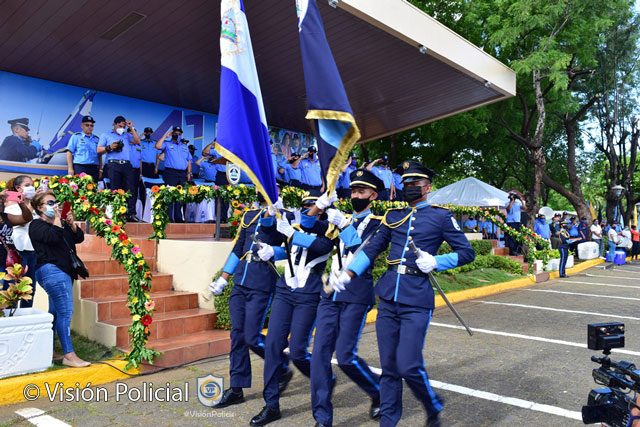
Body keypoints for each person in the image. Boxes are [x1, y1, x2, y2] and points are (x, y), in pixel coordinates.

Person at [333, 161, 475, 427]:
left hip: (416, 299)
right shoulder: (393, 216)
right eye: (406, 183)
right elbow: (372, 249)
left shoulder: (441, 217)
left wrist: (437, 261)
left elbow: (467, 253)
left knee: (408, 365)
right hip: (389, 297)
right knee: (389, 368)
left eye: (415, 183)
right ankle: (388, 422)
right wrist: (349, 273)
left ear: (427, 187)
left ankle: (432, 404)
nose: (409, 187)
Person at [249, 195, 336, 426]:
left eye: (313, 207)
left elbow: (319, 248)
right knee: (272, 346)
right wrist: (272, 250)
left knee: (297, 351)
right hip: (285, 290)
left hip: (308, 294)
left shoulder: (329, 230)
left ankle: (324, 378)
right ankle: (271, 405)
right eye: (306, 207)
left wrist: (291, 234)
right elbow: (286, 247)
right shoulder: (295, 227)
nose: (309, 211)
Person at [311, 169, 384, 426]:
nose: (355, 196)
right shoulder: (340, 218)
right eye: (353, 191)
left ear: (373, 196)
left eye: (361, 192)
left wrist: (344, 226)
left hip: (356, 293)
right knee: (319, 355)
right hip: (331, 293)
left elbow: (364, 253)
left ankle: (378, 391)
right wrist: (319, 206)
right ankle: (322, 417)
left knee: (345, 356)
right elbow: (308, 226)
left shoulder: (379, 224)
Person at [209, 193, 288, 411]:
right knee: (237, 335)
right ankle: (236, 388)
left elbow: (292, 249)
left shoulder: (283, 216)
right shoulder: (249, 215)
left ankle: (281, 364)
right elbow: (238, 249)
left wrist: (275, 252)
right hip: (241, 281)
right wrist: (224, 278)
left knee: (251, 336)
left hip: (261, 282)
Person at [29, 191, 88, 368]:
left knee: (55, 312)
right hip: (52, 271)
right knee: (65, 312)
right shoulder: (36, 225)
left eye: (55, 202)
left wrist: (71, 224)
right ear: (40, 208)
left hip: (65, 271)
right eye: (50, 203)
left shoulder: (59, 223)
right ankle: (69, 355)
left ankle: (48, 350)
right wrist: (57, 220)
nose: (54, 205)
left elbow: (78, 238)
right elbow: (53, 237)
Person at [97, 115, 141, 222]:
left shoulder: (127, 135)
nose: (122, 128)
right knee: (114, 189)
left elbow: (137, 141)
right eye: (120, 126)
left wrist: (131, 128)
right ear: (114, 124)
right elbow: (98, 150)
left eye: (123, 126)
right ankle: (115, 213)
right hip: (113, 164)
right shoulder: (106, 135)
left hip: (126, 164)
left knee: (131, 189)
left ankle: (131, 214)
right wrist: (110, 147)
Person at [3, 176, 38, 304]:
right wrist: (29, 205)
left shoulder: (36, 205)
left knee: (29, 289)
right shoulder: (11, 204)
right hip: (17, 252)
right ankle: (8, 314)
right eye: (27, 185)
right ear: (18, 188)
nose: (31, 188)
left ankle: (27, 314)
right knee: (11, 289)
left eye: (32, 185)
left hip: (32, 250)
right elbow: (23, 220)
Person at [155, 127, 192, 222]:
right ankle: (169, 217)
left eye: (179, 134)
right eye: (176, 133)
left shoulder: (185, 146)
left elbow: (188, 160)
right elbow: (158, 146)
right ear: (172, 134)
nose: (178, 135)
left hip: (182, 174)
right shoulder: (167, 144)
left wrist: (189, 173)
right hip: (171, 172)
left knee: (180, 196)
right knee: (170, 195)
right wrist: (165, 136)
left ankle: (178, 217)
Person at [66, 115, 101, 183]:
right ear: (82, 126)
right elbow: (69, 152)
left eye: (91, 125)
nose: (89, 127)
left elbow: (99, 155)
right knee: (80, 188)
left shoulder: (97, 139)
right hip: (80, 167)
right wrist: (70, 168)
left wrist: (100, 169)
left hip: (94, 168)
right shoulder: (76, 136)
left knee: (93, 188)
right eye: (87, 125)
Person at [505, 191, 526, 256]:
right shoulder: (507, 203)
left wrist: (521, 200)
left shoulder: (518, 203)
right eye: (512, 195)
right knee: (511, 237)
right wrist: (512, 201)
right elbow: (508, 209)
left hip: (517, 222)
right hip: (510, 222)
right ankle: (512, 251)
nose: (513, 197)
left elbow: (524, 208)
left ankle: (516, 250)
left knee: (517, 236)